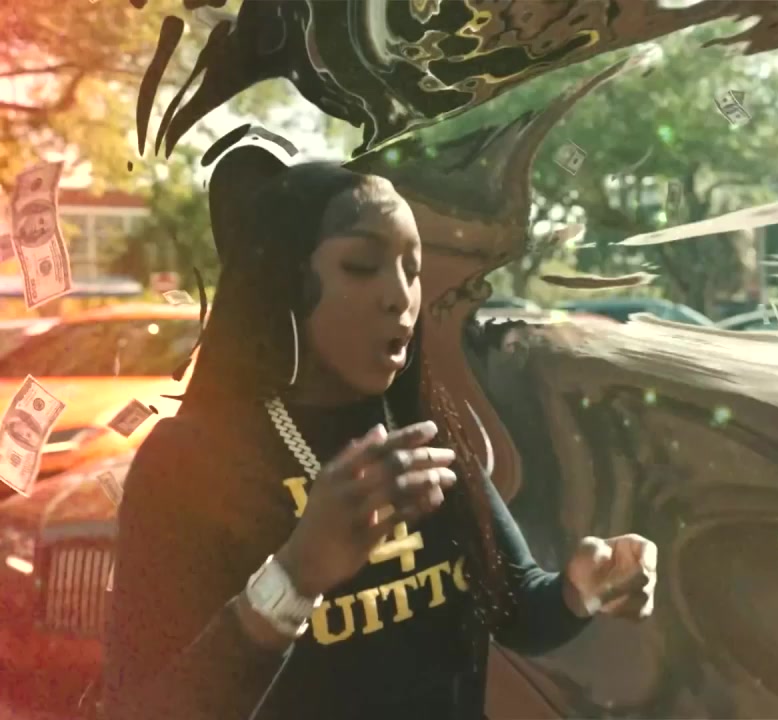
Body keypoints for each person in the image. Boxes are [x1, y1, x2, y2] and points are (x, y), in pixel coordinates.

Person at [102, 146, 658, 720]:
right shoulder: (189, 464)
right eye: (362, 266)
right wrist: (293, 579)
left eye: (412, 270)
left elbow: (516, 609)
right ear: (287, 282)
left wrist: (581, 588)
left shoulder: (423, 433)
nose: (399, 296)